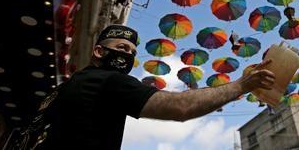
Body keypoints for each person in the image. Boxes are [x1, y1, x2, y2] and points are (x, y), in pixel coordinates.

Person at [41, 25, 275, 149]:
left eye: (132, 52)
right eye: (122, 48)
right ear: (99, 51)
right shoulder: (108, 80)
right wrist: (242, 85)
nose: (128, 55)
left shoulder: (71, 84)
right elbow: (180, 107)